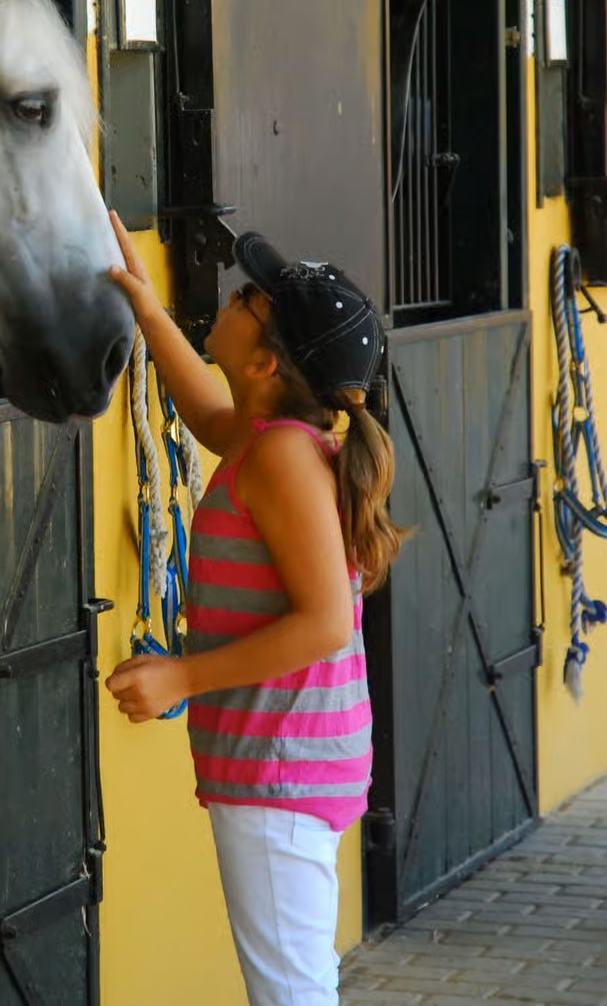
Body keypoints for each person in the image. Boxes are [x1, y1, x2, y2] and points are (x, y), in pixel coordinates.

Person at [105, 211, 408, 1006]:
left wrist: (181, 679)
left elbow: (325, 623)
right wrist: (145, 307)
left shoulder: (279, 458)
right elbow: (208, 416)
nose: (234, 298)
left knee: (291, 993)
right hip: (289, 759)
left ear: (266, 361)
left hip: (281, 767)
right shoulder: (266, 435)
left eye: (250, 301)